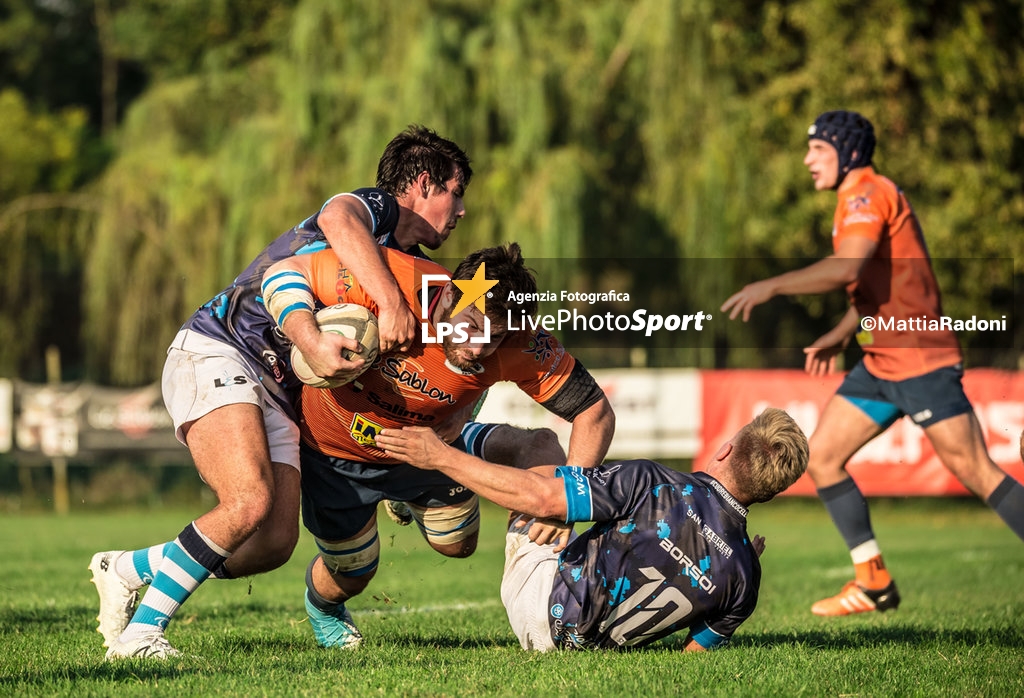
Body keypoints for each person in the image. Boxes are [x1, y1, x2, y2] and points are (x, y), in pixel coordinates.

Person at [88, 126, 559, 659]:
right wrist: (389, 302)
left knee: (269, 545)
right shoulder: (374, 213)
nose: (462, 211)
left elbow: (458, 353)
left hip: (282, 392)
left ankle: (127, 567)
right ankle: (140, 637)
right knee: (248, 502)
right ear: (424, 184)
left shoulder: (417, 269)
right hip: (225, 348)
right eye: (457, 192)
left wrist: (455, 410)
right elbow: (337, 216)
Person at [721, 110, 1024, 616]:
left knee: (977, 470)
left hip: (921, 359)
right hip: (883, 361)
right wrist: (842, 335)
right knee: (822, 456)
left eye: (817, 149)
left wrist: (771, 284)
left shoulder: (867, 192)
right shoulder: (850, 198)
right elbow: (871, 291)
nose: (807, 159)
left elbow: (848, 268)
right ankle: (873, 582)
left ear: (847, 151)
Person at [261, 241, 616, 649]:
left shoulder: (523, 342)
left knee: (462, 543)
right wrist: (309, 338)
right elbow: (284, 270)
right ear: (448, 294)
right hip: (336, 454)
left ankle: (541, 608)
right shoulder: (392, 281)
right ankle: (322, 607)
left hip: (427, 449)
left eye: (494, 336)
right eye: (470, 325)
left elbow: (595, 412)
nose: (479, 347)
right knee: (353, 573)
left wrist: (566, 501)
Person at [374, 407, 807, 650]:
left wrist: (438, 456)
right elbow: (694, 654)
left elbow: (541, 496)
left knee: (540, 446)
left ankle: (434, 452)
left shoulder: (656, 483)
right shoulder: (746, 579)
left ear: (727, 448)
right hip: (583, 650)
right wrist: (737, 563)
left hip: (539, 599)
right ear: (769, 492)